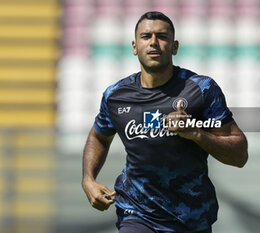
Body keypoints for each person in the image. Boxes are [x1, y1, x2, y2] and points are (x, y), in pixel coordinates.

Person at [82, 11, 248, 233]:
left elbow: (239, 155)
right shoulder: (115, 95)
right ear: (134, 46)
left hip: (192, 218)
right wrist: (88, 179)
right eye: (146, 36)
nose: (153, 42)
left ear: (174, 46)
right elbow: (99, 136)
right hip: (136, 212)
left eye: (161, 36)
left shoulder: (201, 90)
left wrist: (197, 133)